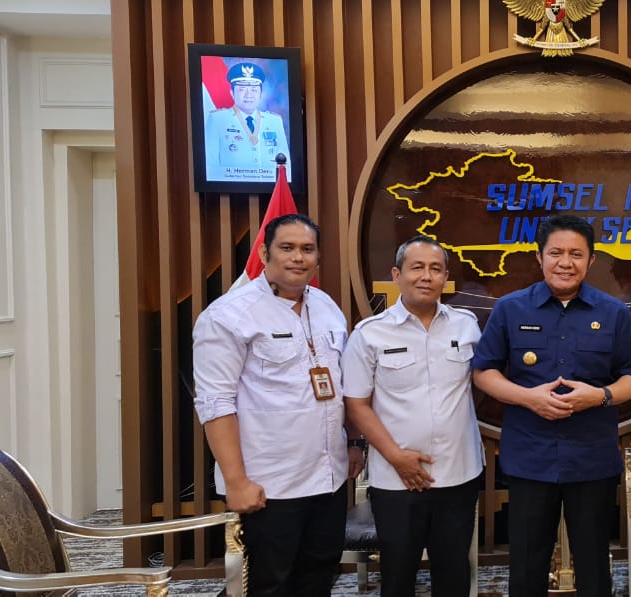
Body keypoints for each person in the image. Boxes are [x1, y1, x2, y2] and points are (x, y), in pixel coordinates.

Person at [471, 214, 631, 597]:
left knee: (594, 570)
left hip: (592, 460)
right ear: (539, 257)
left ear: (591, 260)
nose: (565, 262)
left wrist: (599, 396)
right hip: (530, 458)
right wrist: (529, 398)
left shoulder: (613, 312)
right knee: (526, 569)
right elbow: (483, 372)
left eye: (576, 254)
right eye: (556, 253)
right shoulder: (510, 309)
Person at [192, 213, 362, 597]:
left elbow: (342, 383)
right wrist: (236, 481)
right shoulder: (228, 315)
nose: (298, 257)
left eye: (307, 249)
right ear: (264, 253)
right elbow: (215, 403)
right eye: (287, 248)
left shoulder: (326, 306)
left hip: (328, 476)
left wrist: (353, 443)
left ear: (318, 257)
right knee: (270, 583)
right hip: (270, 484)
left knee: (318, 576)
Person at [341, 235, 483, 596]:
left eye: (436, 269)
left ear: (446, 277)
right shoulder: (370, 334)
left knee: (454, 573)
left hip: (458, 472)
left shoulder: (467, 325)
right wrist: (395, 457)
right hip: (396, 479)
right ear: (397, 275)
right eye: (416, 267)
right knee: (398, 575)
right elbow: (356, 403)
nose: (426, 276)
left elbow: (484, 381)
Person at [205, 61, 291, 174]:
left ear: (260, 94)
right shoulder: (217, 120)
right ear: (232, 93)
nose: (248, 95)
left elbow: (286, 167)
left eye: (254, 90)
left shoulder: (275, 121)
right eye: (242, 89)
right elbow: (210, 167)